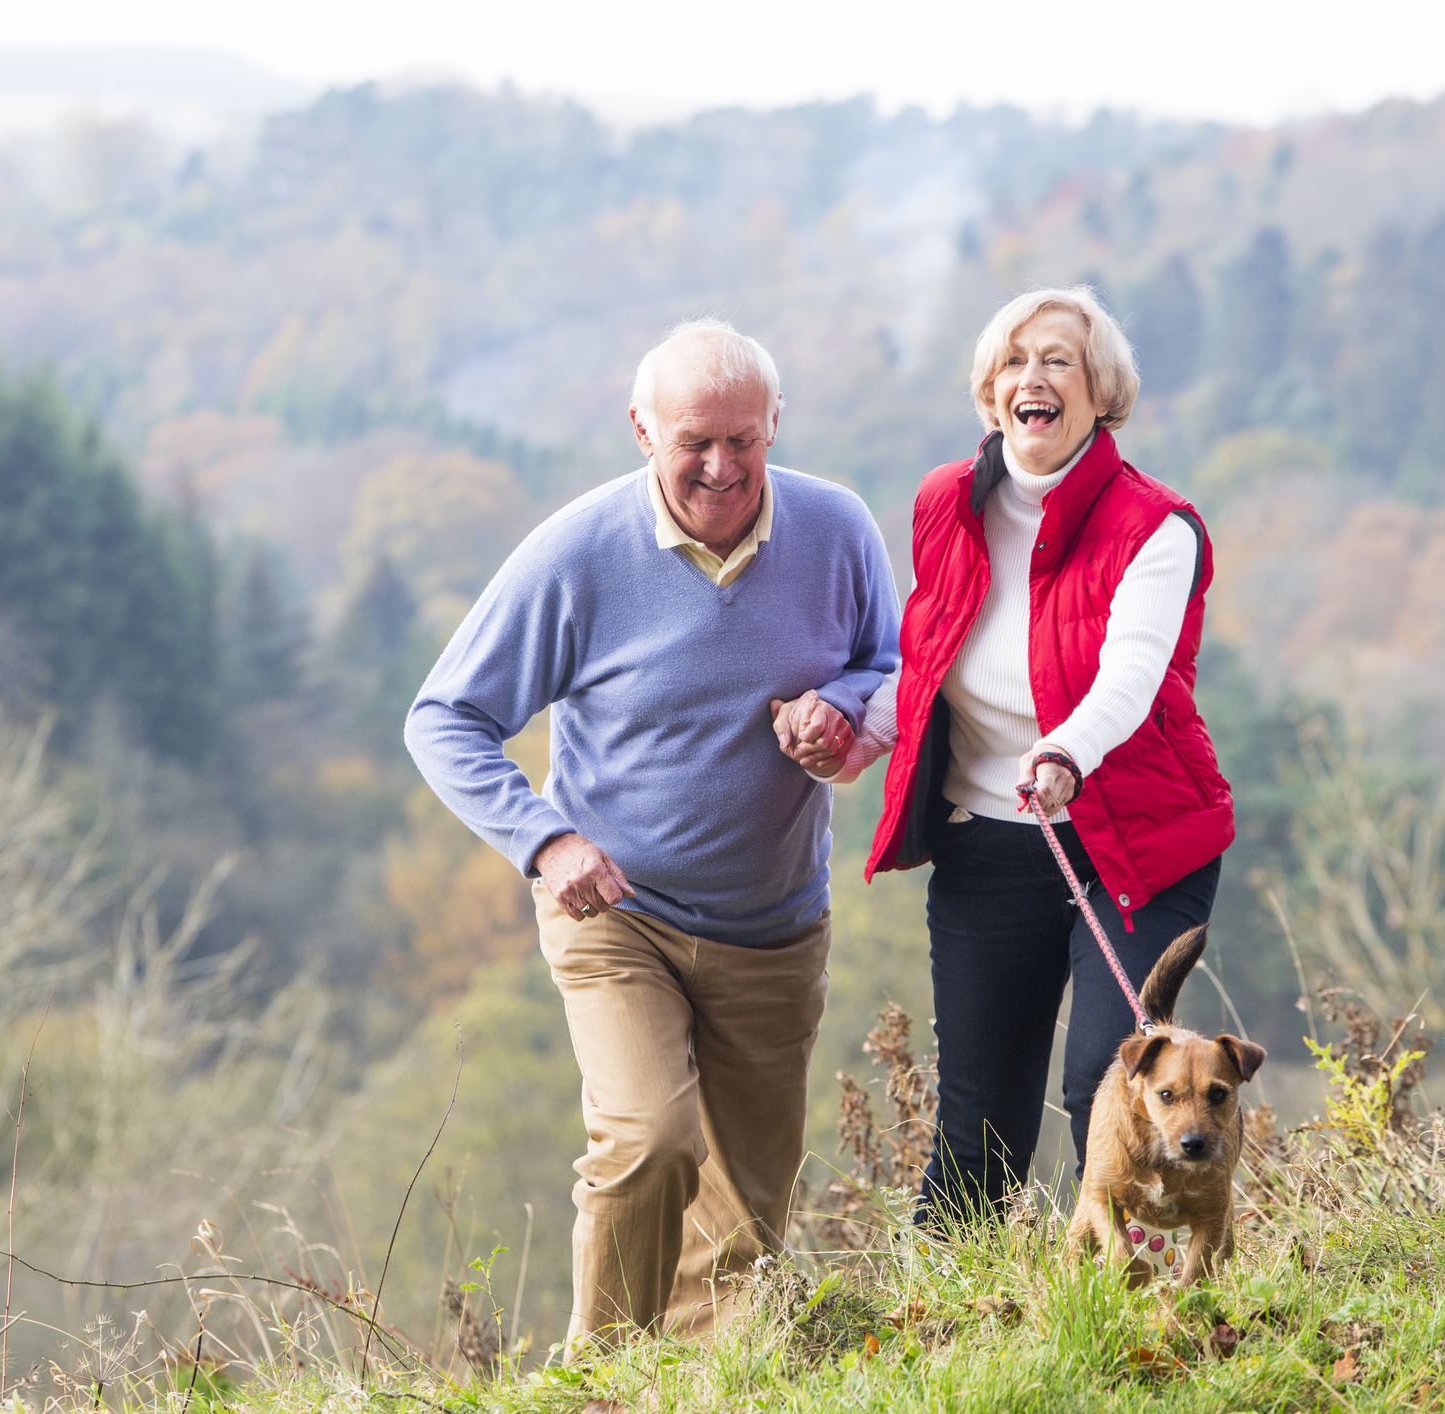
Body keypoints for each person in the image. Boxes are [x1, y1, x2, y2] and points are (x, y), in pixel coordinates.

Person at [404, 319, 900, 1341]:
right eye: (693, 442)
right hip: (617, 912)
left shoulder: (838, 528)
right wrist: (545, 841)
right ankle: (602, 1379)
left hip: (774, 925)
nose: (721, 466)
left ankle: (694, 1383)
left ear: (776, 423)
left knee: (746, 1224)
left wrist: (842, 708)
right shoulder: (578, 552)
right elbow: (443, 718)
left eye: (742, 439)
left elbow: (890, 666)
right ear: (642, 431)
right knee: (649, 1140)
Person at [789, 286, 1235, 1224]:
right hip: (987, 843)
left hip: (1133, 844)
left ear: (1100, 391)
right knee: (978, 1123)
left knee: (1108, 1085)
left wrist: (1065, 750)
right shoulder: (945, 501)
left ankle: (1133, 1286)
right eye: (1013, 361)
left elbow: (1131, 676)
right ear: (990, 391)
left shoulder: (1158, 528)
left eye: (1058, 360)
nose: (1032, 377)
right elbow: (932, 653)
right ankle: (948, 1302)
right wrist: (857, 734)